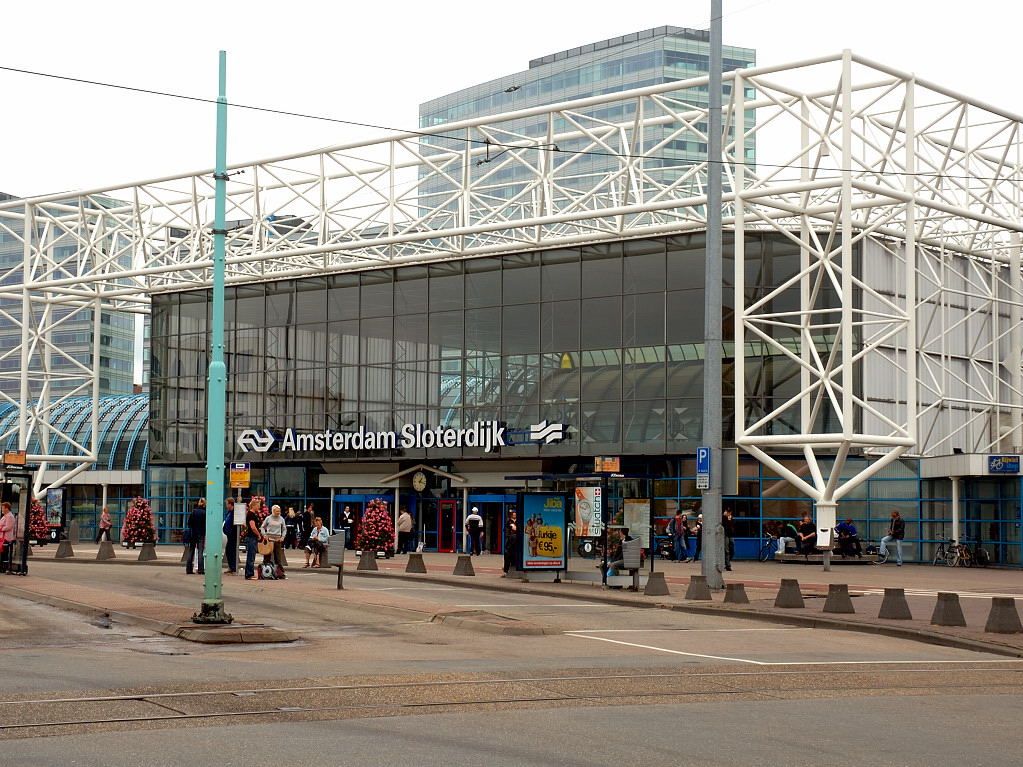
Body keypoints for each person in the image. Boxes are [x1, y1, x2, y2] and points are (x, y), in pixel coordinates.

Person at [260, 504, 287, 577]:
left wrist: (282, 537)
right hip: (269, 540)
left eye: (279, 511)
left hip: (278, 540)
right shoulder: (268, 518)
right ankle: (265, 572)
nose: (278, 513)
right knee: (267, 557)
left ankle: (280, 573)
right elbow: (262, 527)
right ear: (273, 511)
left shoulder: (281, 519)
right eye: (277, 511)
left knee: (278, 557)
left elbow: (284, 529)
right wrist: (264, 535)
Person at [243, 499, 264, 580]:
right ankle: (249, 574)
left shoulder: (250, 514)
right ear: (254, 505)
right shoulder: (251, 515)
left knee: (251, 555)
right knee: (251, 556)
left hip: (251, 536)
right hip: (252, 537)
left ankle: (249, 573)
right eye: (258, 505)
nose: (259, 507)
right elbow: (253, 527)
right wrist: (258, 535)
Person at [185, 498, 206, 575]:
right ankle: (200, 569)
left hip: (193, 533)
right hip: (201, 534)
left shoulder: (193, 512)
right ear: (204, 504)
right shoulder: (204, 513)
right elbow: (205, 524)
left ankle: (189, 569)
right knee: (200, 551)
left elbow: (189, 523)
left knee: (191, 551)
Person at [223, 498, 238, 573]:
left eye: (227, 504)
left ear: (230, 504)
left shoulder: (234, 513)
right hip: (228, 534)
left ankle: (233, 567)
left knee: (232, 551)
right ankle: (231, 567)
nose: (226, 506)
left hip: (233, 534)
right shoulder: (229, 513)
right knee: (228, 551)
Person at [0, 502, 17, 571]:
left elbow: (9, 527)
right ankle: (2, 566)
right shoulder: (5, 516)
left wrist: (1, 528)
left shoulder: (9, 516)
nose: (2, 509)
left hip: (6, 537)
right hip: (2, 537)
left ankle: (4, 567)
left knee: (4, 553)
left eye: (2, 508)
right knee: (2, 552)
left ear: (7, 508)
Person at [502, 509, 518, 576]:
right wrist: (510, 529)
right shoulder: (508, 521)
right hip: (510, 539)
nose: (514, 515)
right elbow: (506, 529)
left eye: (515, 514)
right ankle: (506, 570)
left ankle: (514, 565)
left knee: (515, 553)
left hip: (517, 539)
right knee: (508, 554)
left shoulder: (518, 521)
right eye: (513, 514)